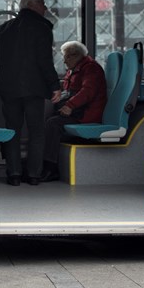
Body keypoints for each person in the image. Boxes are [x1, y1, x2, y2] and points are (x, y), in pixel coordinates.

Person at [0, 0, 58, 186]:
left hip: (8, 88)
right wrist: (55, 85)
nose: (45, 9)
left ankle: (13, 174)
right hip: (34, 88)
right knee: (36, 131)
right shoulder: (42, 28)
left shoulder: (3, 29)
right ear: (33, 5)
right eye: (43, 5)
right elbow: (45, 61)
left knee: (12, 130)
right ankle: (33, 175)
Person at [38, 41, 107, 182]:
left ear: (76, 56)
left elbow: (87, 92)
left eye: (67, 57)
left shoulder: (91, 69)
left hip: (86, 113)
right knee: (46, 118)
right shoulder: (74, 69)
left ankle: (50, 168)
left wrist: (70, 105)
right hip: (78, 110)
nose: (64, 61)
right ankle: (40, 163)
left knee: (52, 124)